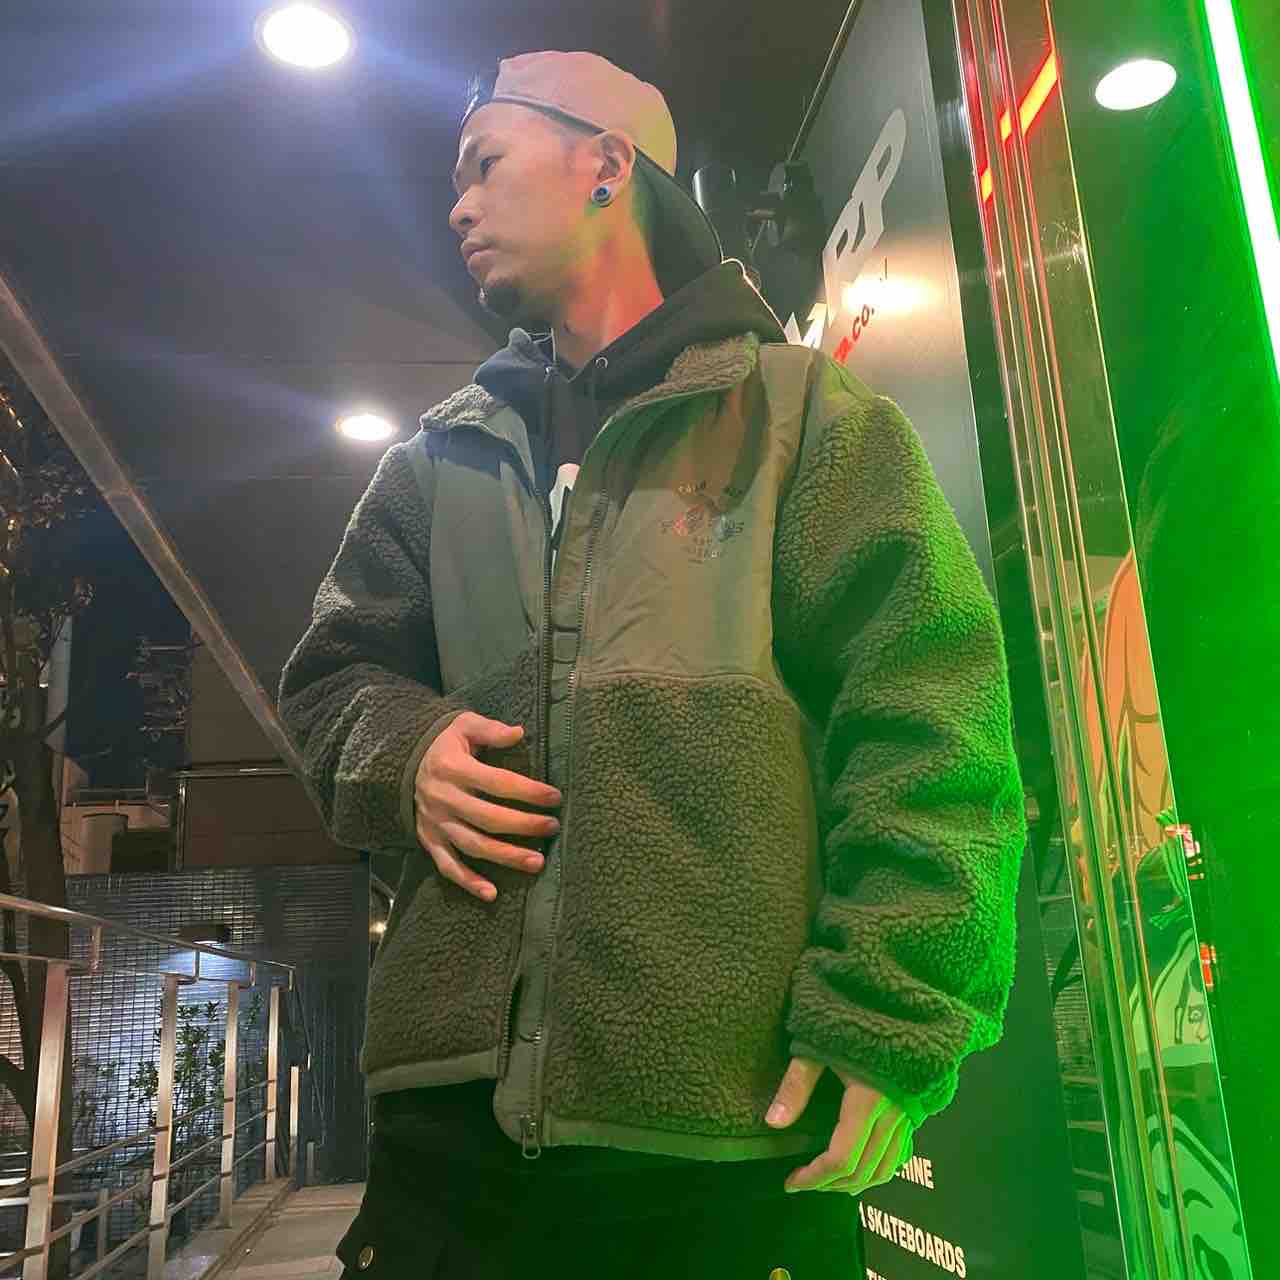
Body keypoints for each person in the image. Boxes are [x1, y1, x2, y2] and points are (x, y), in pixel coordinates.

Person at [277, 49, 1026, 1279]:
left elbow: (929, 711)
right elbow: (329, 676)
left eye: (483, 163)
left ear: (605, 165)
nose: (457, 205)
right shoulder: (436, 462)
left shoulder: (803, 419)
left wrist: (892, 1013)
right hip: (445, 1153)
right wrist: (401, 749)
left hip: (727, 1142)